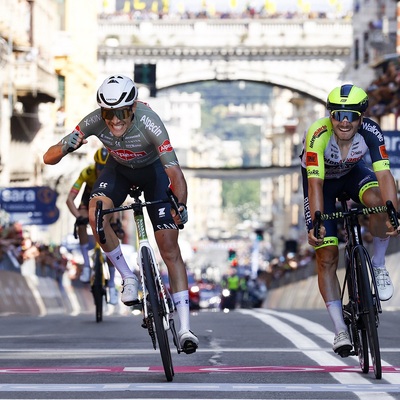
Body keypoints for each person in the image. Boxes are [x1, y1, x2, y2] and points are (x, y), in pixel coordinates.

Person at [43, 74, 198, 353]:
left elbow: (174, 172)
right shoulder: (94, 121)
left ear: (133, 108)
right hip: (119, 173)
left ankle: (185, 328)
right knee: (96, 212)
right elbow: (48, 157)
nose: (114, 121)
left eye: (122, 113)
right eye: (108, 114)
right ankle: (128, 276)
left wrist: (181, 205)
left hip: (154, 174)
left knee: (169, 249)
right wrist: (68, 145)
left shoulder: (150, 122)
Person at [301, 84, 400, 355]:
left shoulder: (371, 131)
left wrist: (392, 212)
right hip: (323, 185)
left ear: (361, 118)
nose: (344, 122)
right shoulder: (318, 134)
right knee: (327, 255)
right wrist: (317, 221)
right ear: (330, 116)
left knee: (382, 202)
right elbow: (315, 184)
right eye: (338, 114)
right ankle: (340, 330)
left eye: (351, 116)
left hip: (354, 174)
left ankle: (378, 265)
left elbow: (384, 175)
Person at [66, 147, 119, 305]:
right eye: (99, 167)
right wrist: (78, 217)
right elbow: (69, 199)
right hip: (88, 199)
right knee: (81, 221)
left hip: (108, 200)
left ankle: (111, 285)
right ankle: (87, 266)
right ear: (95, 165)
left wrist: (116, 222)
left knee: (113, 235)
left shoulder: (113, 174)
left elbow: (118, 202)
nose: (101, 170)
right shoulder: (86, 173)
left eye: (104, 167)